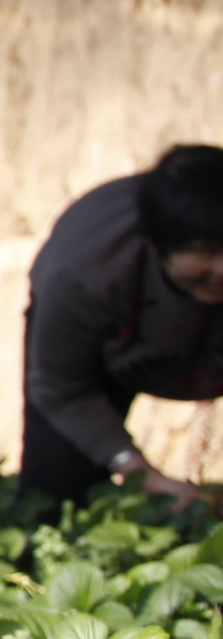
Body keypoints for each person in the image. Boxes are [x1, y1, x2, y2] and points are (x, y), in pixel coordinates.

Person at [22, 143, 223, 510]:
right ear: (155, 245)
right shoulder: (83, 271)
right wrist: (139, 474)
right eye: (205, 251)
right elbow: (62, 389)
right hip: (102, 356)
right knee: (58, 493)